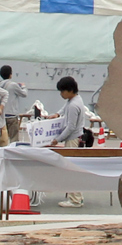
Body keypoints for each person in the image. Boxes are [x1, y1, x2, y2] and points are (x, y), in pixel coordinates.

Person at [48, 75, 96, 207]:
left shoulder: (73, 105)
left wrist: (57, 140)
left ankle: (74, 199)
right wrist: (57, 114)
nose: (61, 94)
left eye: (62, 91)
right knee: (74, 168)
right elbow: (64, 108)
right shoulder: (76, 99)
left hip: (73, 139)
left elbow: (71, 127)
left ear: (69, 90)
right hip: (77, 137)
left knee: (71, 169)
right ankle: (76, 197)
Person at [0, 65, 29, 146]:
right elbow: (24, 94)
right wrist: (23, 86)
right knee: (14, 139)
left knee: (0, 139)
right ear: (10, 74)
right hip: (12, 116)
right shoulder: (13, 85)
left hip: (0, 117)